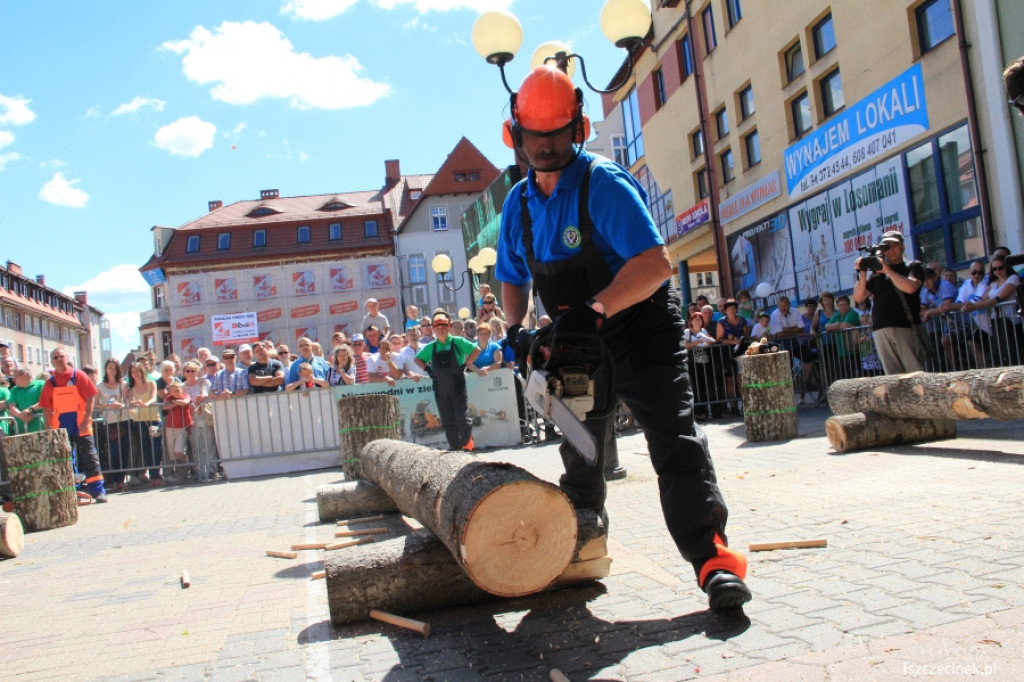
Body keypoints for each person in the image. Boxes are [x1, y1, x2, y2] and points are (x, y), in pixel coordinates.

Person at [494, 65, 749, 610]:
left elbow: (656, 262)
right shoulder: (516, 205)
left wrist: (598, 306)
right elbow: (512, 278)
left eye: (556, 136)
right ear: (514, 136)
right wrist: (515, 330)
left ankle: (713, 561)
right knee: (581, 451)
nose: (545, 147)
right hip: (575, 345)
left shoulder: (601, 183)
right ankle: (582, 548)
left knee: (674, 441)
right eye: (535, 137)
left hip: (641, 330)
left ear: (578, 130)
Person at [853, 230, 927, 374]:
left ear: (903, 247)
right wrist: (862, 272)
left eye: (895, 245)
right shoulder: (876, 275)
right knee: (893, 377)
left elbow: (911, 287)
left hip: (905, 327)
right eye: (887, 247)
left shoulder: (913, 266)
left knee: (916, 374)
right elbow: (859, 297)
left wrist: (887, 270)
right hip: (881, 328)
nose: (891, 250)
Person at [40, 347, 107, 502]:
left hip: (81, 424)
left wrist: (85, 420)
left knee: (90, 458)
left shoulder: (79, 376)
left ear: (66, 358)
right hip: (61, 427)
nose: (58, 359)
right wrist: (48, 429)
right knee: (66, 459)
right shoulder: (50, 383)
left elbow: (91, 397)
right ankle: (72, 492)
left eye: (61, 356)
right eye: (55, 357)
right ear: (52, 361)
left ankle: (98, 491)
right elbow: (46, 407)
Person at [415, 312, 480, 451]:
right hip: (439, 386)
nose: (441, 329)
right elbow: (418, 359)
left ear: (448, 327)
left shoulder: (457, 342)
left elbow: (476, 350)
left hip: (457, 384)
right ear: (434, 329)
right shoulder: (431, 346)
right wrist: (428, 369)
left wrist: (466, 364)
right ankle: (454, 446)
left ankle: (466, 444)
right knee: (446, 417)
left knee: (461, 416)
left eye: (443, 326)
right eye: (437, 327)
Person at [963, 255, 1022, 366]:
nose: (998, 271)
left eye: (1001, 268)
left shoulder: (1013, 278)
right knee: (1001, 353)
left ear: (1007, 267)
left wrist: (975, 307)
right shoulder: (993, 283)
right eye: (994, 269)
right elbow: (984, 298)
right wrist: (970, 304)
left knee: (1015, 352)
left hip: (1011, 321)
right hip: (997, 321)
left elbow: (998, 298)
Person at [96, 358, 129, 491]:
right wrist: (108, 405)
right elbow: (96, 404)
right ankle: (115, 479)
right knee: (114, 452)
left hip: (123, 419)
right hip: (109, 421)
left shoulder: (123, 384)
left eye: (114, 368)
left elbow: (127, 401)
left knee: (124, 451)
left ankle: (121, 480)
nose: (112, 370)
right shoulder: (100, 385)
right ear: (106, 369)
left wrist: (120, 404)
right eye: (110, 367)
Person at [126, 361, 162, 485]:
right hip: (140, 421)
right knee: (146, 449)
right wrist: (134, 404)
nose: (135, 374)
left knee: (156, 448)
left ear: (142, 371)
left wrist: (145, 404)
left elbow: (153, 397)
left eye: (137, 371)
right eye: (132, 372)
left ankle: (156, 474)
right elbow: (130, 401)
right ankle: (153, 477)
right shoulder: (131, 388)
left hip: (154, 419)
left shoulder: (151, 383)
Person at [181, 360, 217, 480]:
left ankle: (212, 470)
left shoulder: (204, 382)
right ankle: (200, 471)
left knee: (208, 444)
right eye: (188, 371)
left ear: (197, 371)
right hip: (191, 418)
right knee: (196, 446)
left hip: (204, 415)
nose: (191, 373)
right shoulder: (182, 387)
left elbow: (209, 395)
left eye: (193, 370)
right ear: (184, 373)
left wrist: (203, 397)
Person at [161, 380, 194, 483]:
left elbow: (185, 403)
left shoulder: (185, 395)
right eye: (174, 391)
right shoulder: (168, 398)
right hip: (171, 427)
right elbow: (165, 406)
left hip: (183, 427)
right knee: (173, 454)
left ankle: (188, 466)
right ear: (170, 392)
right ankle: (182, 474)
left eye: (178, 390)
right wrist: (175, 402)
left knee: (178, 451)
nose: (176, 392)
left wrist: (174, 402)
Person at [825, 295, 863, 380]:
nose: (843, 307)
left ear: (849, 305)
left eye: (845, 304)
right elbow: (826, 326)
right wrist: (836, 325)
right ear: (837, 306)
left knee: (857, 376)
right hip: (842, 351)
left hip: (854, 350)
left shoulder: (852, 312)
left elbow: (844, 325)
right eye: (840, 305)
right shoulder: (837, 315)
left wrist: (834, 326)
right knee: (845, 376)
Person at [8, 367, 45, 434]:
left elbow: (45, 401)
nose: (13, 380)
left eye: (15, 377)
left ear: (24, 375)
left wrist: (29, 410)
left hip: (41, 428)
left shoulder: (41, 384)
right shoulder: (14, 390)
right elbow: (11, 407)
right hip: (21, 430)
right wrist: (21, 416)